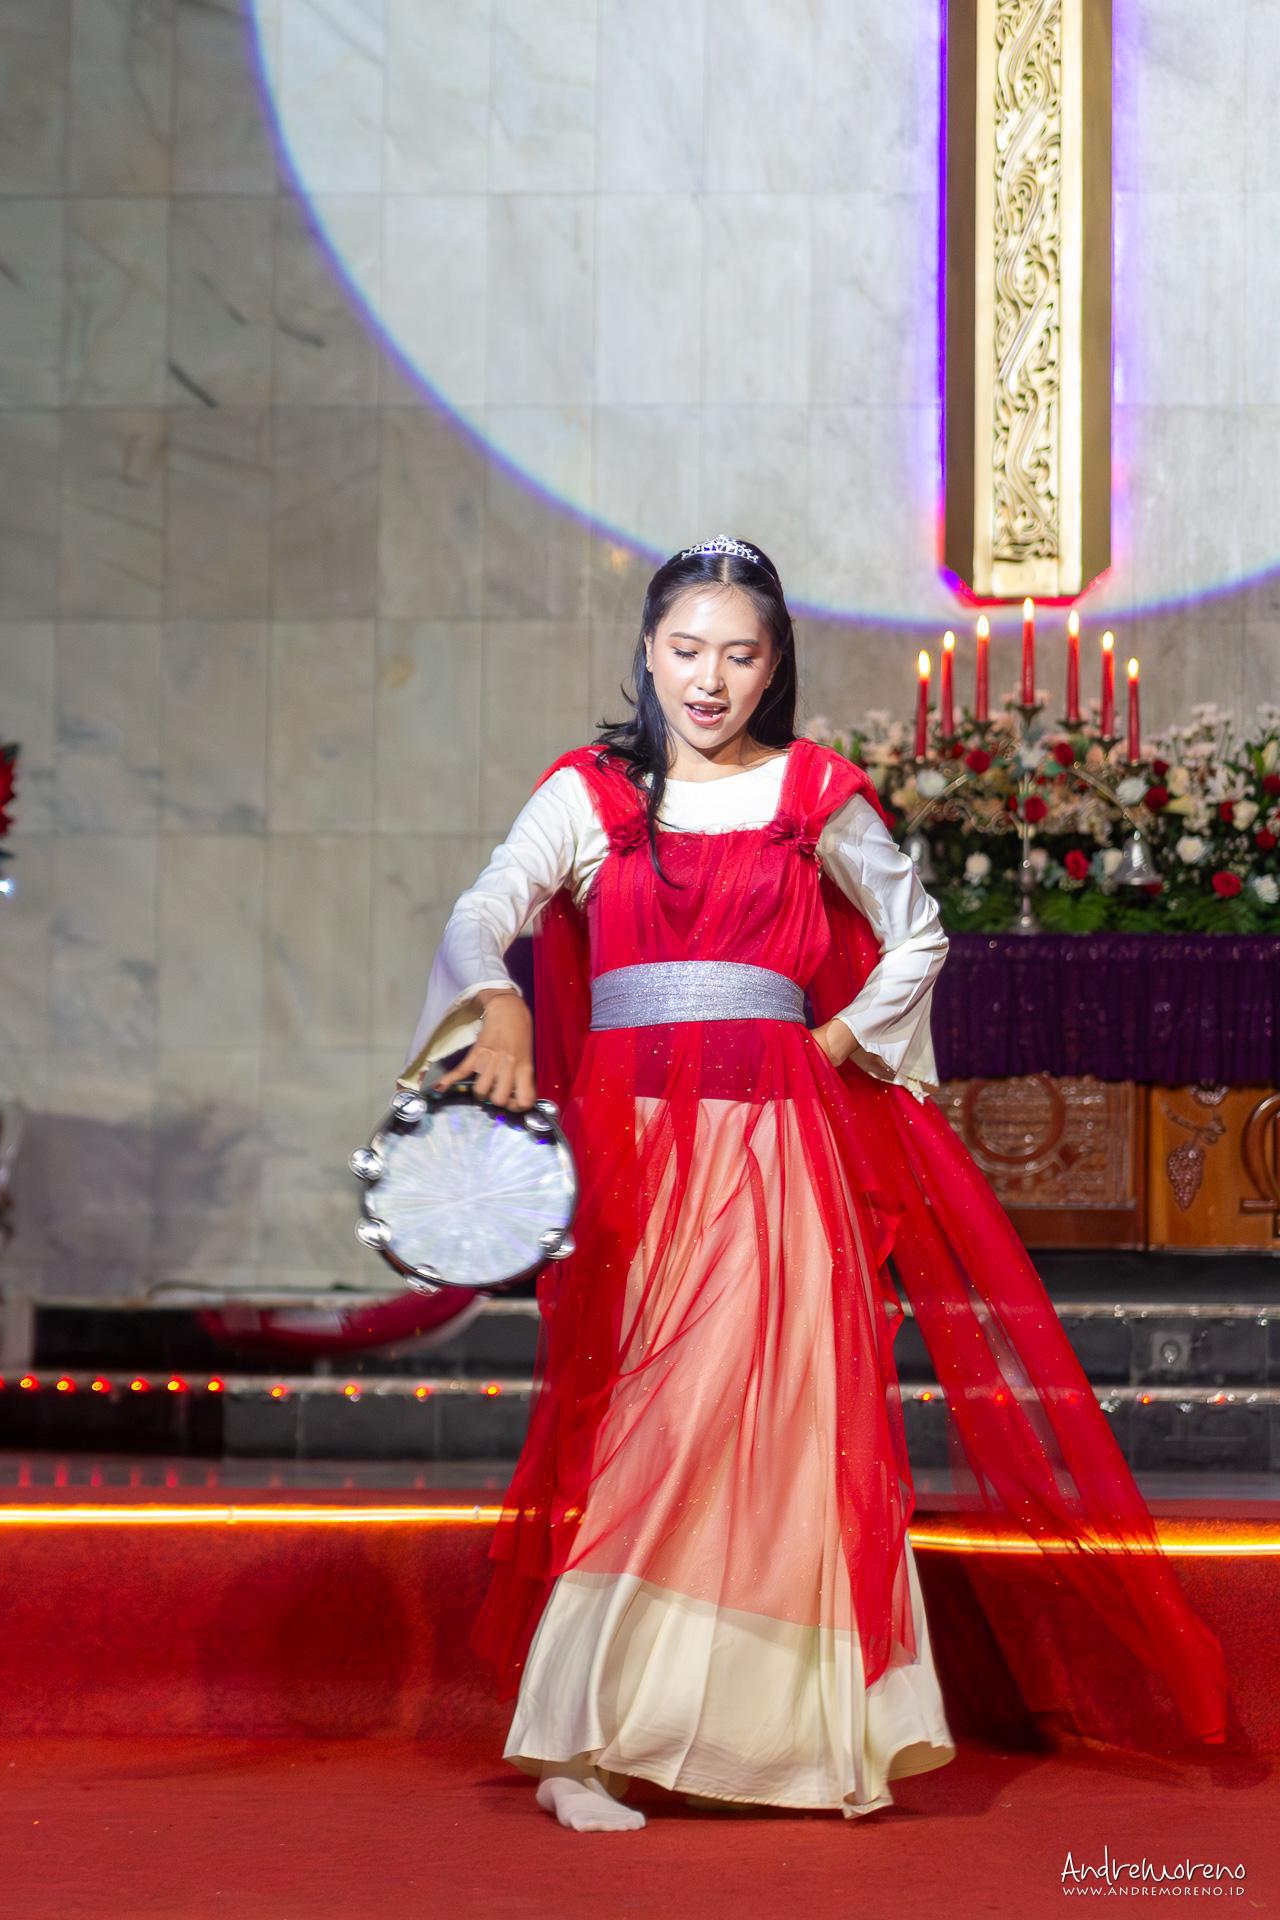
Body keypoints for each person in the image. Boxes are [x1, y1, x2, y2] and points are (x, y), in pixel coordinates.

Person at [400, 536, 1229, 1833]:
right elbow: (480, 909)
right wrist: (498, 1002)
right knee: (649, 1426)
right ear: (648, 654)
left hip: (777, 1151)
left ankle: (775, 1740)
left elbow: (918, 934)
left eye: (738, 655)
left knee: (782, 1428)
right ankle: (581, 1744)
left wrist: (834, 1042)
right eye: (686, 650)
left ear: (774, 663)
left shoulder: (812, 792)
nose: (709, 679)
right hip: (635, 1156)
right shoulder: (591, 793)